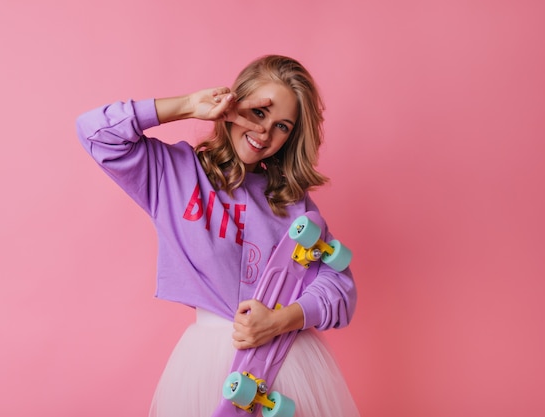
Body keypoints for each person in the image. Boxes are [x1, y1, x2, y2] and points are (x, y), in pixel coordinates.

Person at [76, 54, 360, 417]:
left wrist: (278, 321)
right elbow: (94, 132)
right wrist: (188, 106)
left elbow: (341, 289)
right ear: (234, 102)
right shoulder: (174, 174)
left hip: (286, 361)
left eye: (282, 126)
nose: (264, 133)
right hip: (207, 368)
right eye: (259, 113)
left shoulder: (291, 201)